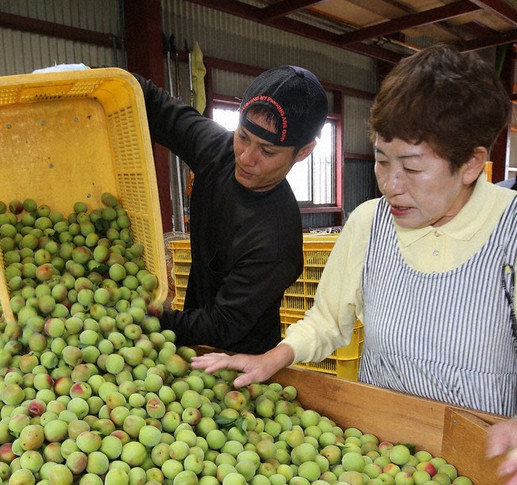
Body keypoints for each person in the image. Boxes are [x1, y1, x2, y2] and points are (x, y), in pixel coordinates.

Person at [192, 44, 517, 418]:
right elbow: (329, 320)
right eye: (381, 160)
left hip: (485, 454)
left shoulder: (508, 233)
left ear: (471, 164)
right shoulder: (370, 223)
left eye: (411, 169)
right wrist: (271, 359)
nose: (390, 185)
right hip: (378, 444)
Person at [134, 66, 328, 354]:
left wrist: (142, 319)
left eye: (267, 151)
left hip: (242, 358)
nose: (246, 158)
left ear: (303, 152)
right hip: (191, 338)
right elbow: (158, 107)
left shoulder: (275, 240)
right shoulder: (221, 151)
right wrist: (96, 75)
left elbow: (223, 324)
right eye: (243, 136)